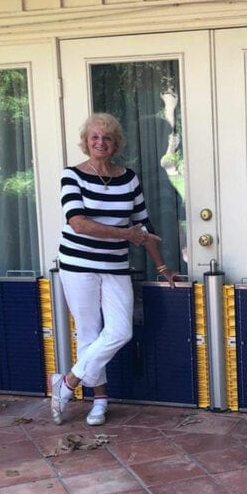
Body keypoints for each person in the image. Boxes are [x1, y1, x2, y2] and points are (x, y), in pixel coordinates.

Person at [50, 112, 175, 426]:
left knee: (120, 330)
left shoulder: (128, 177)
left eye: (107, 138)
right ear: (86, 142)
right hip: (78, 264)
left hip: (115, 264)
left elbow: (143, 225)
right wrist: (126, 234)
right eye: (94, 137)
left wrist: (162, 266)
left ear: (116, 143)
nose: (100, 143)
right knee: (90, 333)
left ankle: (67, 382)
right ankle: (100, 400)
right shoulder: (71, 175)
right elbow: (77, 223)